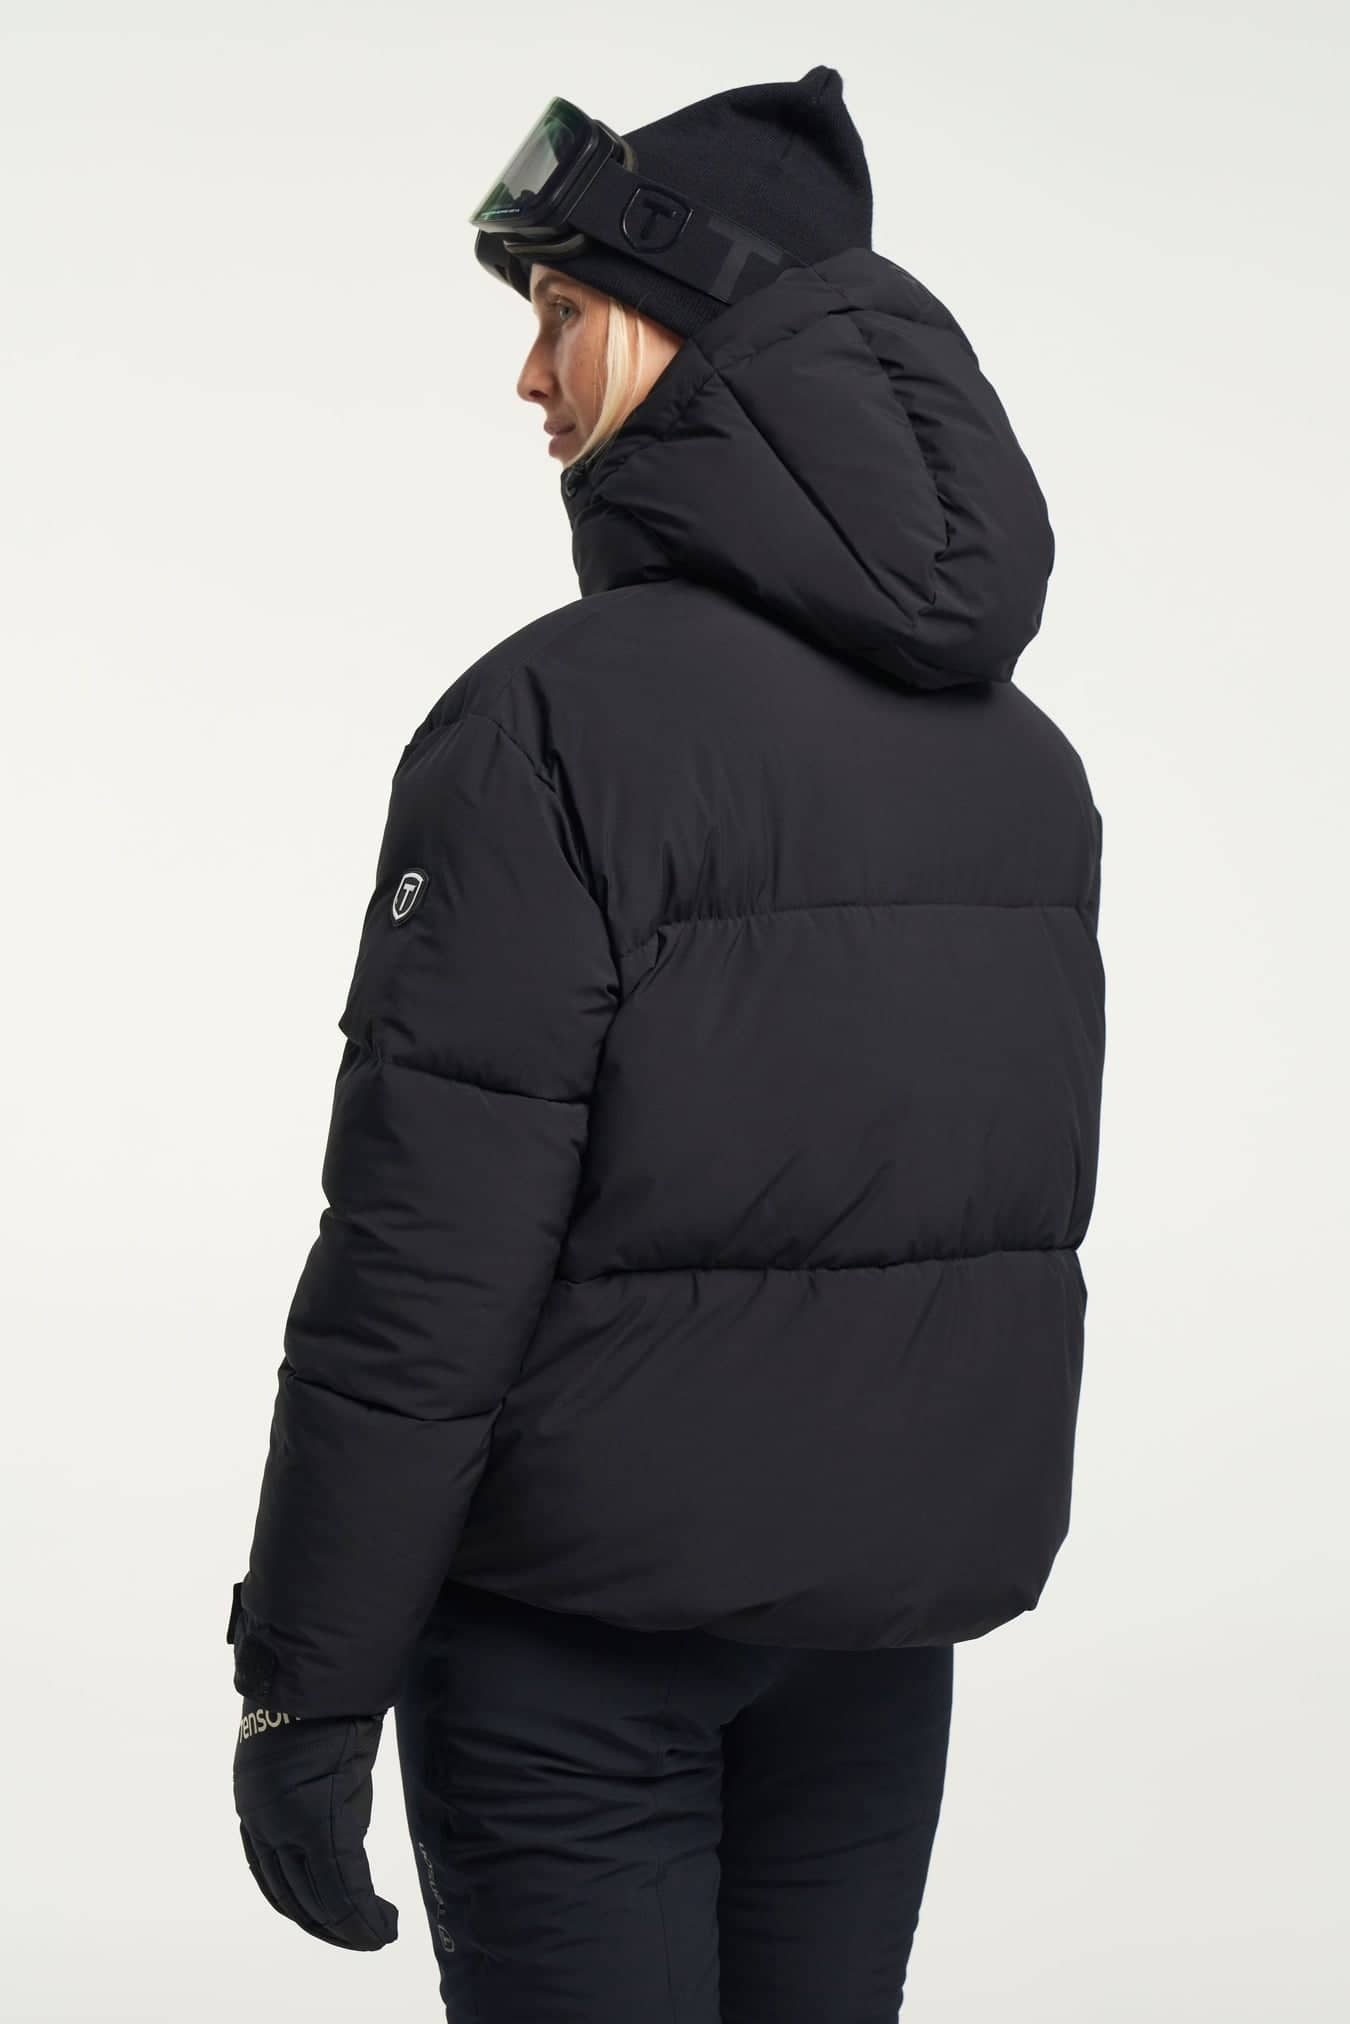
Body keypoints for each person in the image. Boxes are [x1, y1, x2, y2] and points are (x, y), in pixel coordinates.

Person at [227, 65, 1106, 2022]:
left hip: (572, 1657)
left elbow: (426, 1253)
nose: (526, 379)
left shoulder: (548, 725)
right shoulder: (1028, 768)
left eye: (559, 312)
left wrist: (307, 1678)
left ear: (679, 320)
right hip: (875, 1652)